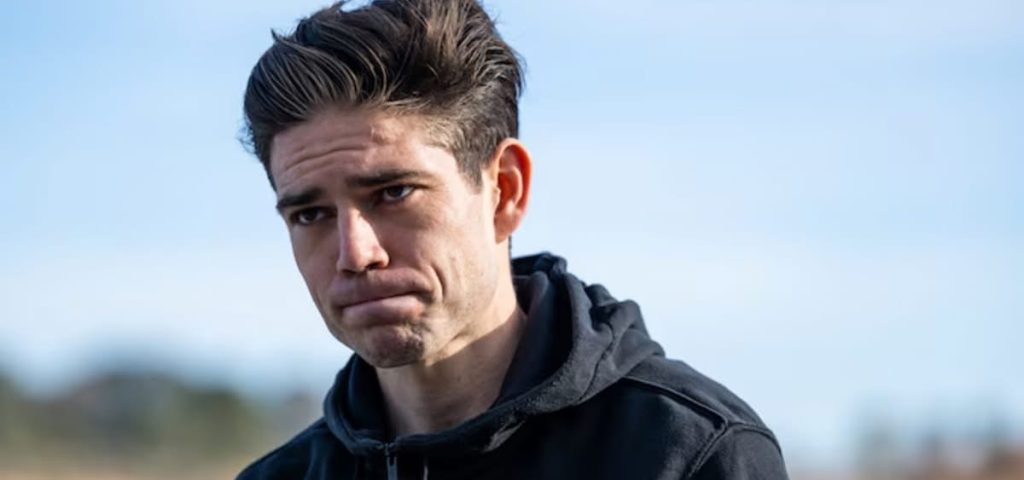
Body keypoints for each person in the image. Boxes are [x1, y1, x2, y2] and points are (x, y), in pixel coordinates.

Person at [236, 0, 788, 478]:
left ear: (504, 190)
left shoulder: (690, 454)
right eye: (311, 214)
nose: (356, 253)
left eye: (394, 192)